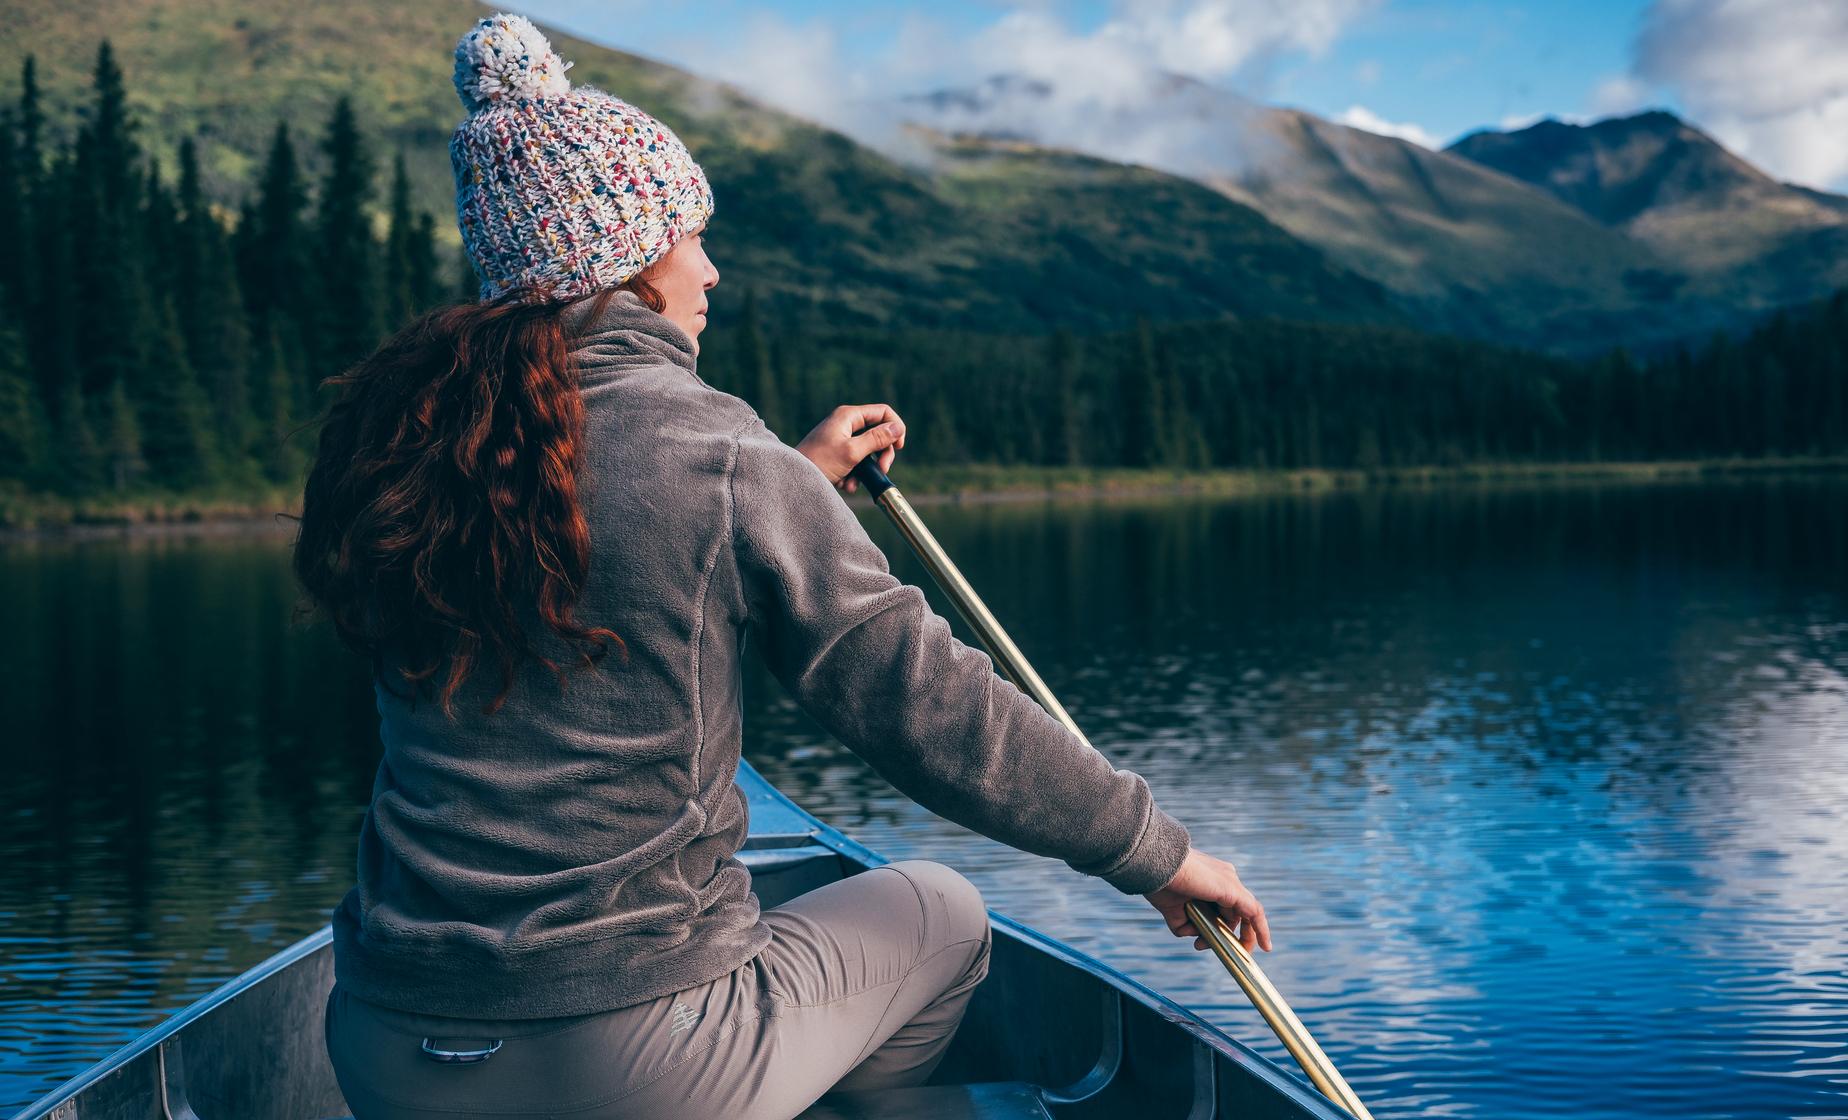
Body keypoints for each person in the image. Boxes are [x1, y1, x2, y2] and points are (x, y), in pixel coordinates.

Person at [296, 13, 1271, 1120]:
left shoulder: (416, 446)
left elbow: (609, 533)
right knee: (943, 913)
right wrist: (1154, 851)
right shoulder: (714, 455)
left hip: (381, 1044)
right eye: (690, 235)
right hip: (628, 1070)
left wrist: (791, 485)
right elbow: (930, 708)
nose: (710, 268)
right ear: (627, 258)